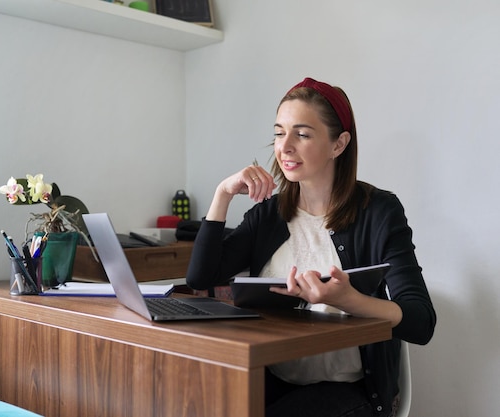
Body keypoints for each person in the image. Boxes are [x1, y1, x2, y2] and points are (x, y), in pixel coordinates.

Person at [185, 77, 436, 417]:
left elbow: (421, 322)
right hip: (274, 379)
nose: (284, 146)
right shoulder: (269, 214)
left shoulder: (379, 212)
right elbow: (201, 276)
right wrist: (222, 194)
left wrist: (350, 301)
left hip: (351, 391)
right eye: (278, 132)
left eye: (301, 134)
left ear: (339, 144)